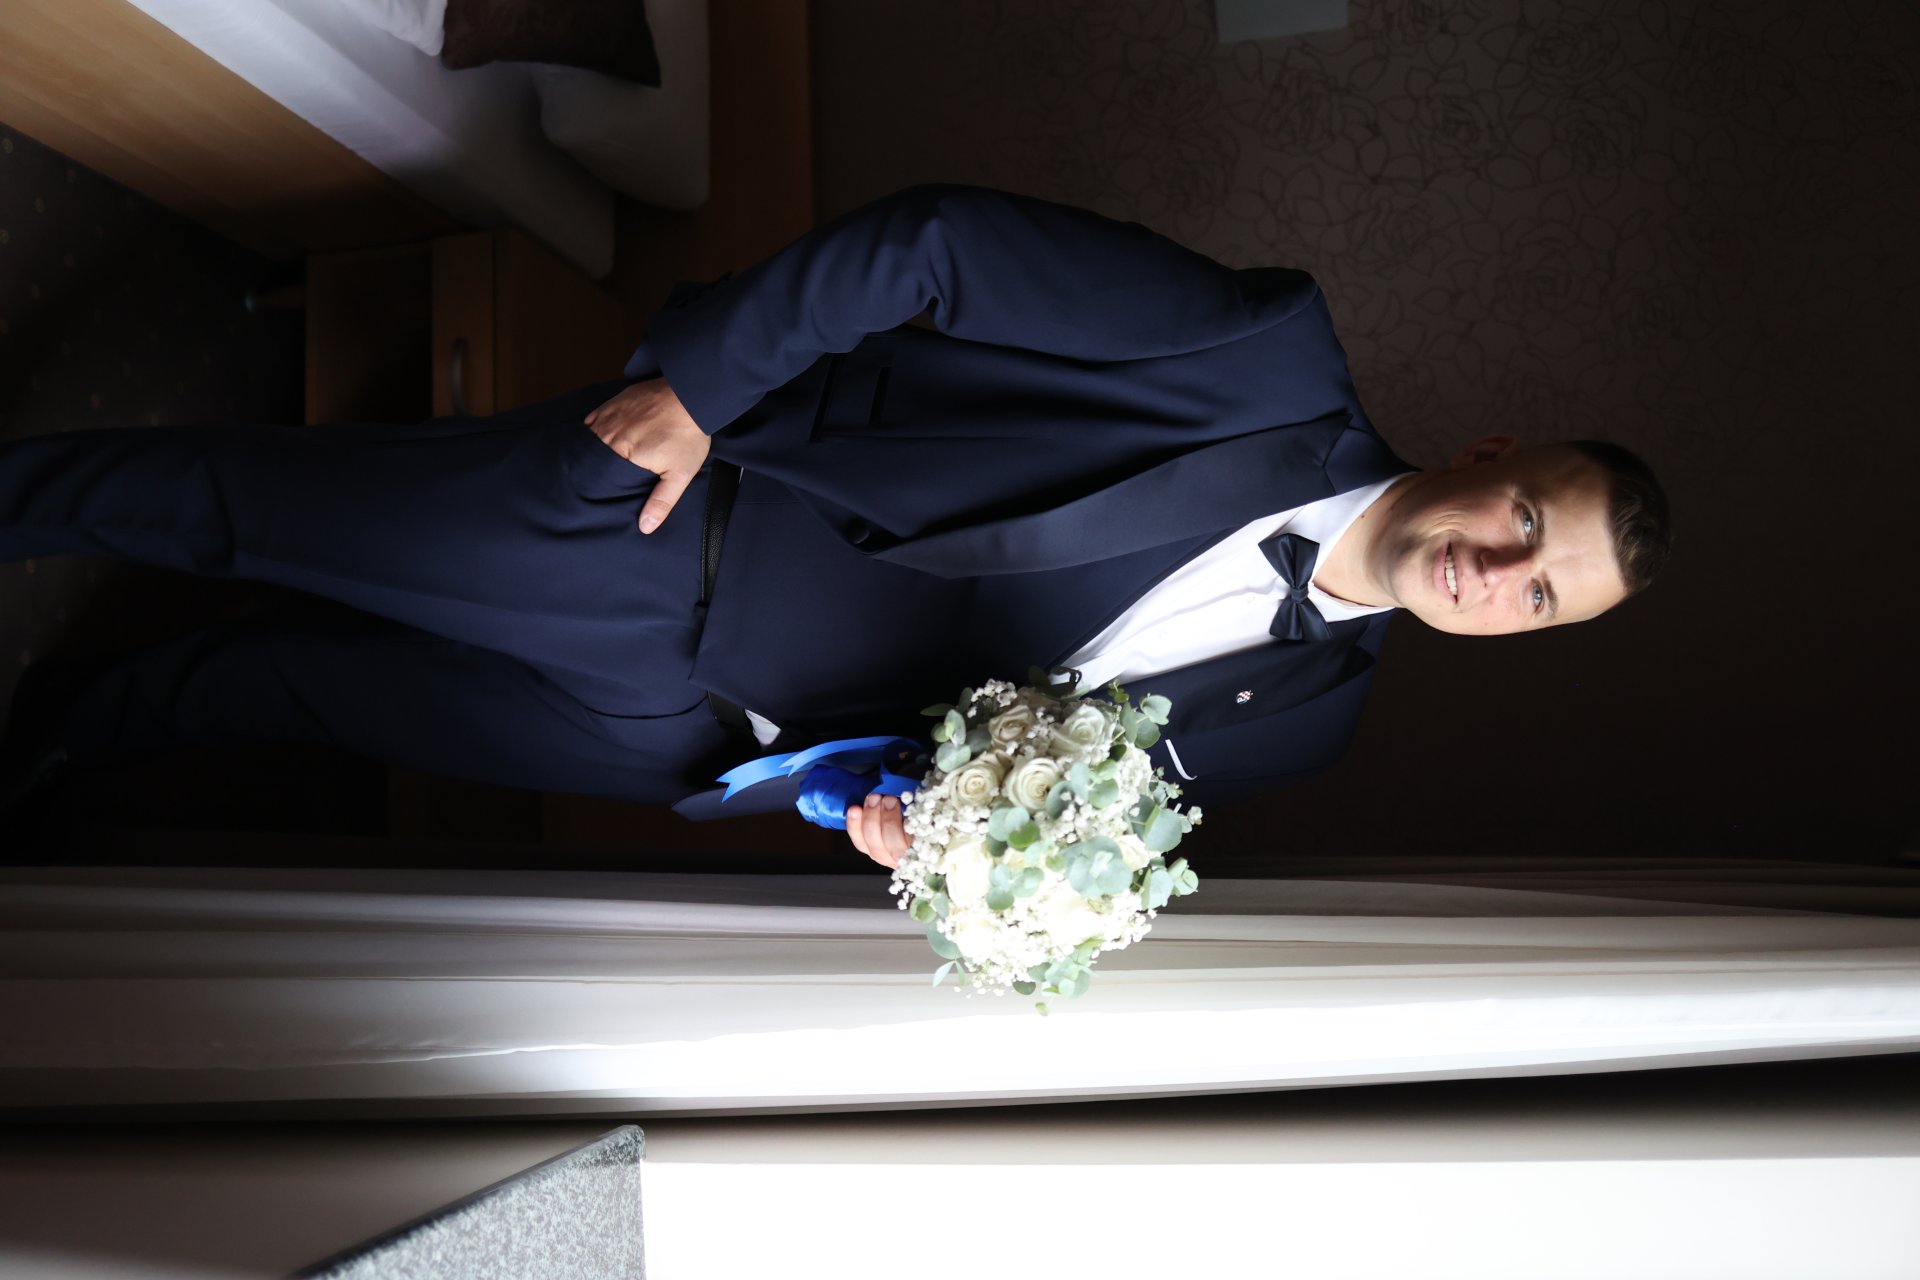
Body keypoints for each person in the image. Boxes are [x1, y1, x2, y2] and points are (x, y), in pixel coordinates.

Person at [0, 185, 1670, 863]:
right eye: (1531, 518)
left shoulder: (1309, 726)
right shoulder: (1265, 356)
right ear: (1492, 453)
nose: (1500, 571)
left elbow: (1016, 797)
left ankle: (78, 727)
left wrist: (914, 837)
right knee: (248, 515)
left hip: (697, 744)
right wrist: (699, 389)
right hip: (681, 524)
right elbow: (937, 248)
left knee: (321, 698)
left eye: (1543, 598)